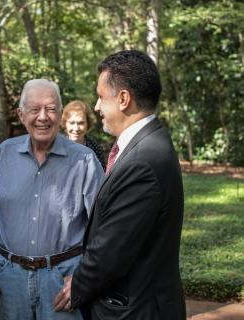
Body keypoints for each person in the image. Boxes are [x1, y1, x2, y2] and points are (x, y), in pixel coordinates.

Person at [54, 50, 186, 319]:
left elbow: (113, 250)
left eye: (101, 97)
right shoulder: (151, 142)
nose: (97, 107)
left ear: (124, 99)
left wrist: (77, 285)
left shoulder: (143, 161)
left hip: (135, 310)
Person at [0, 79, 105, 320]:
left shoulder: (84, 161)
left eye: (51, 109)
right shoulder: (4, 154)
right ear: (21, 114)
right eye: (35, 109)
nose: (43, 117)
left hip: (63, 280)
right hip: (9, 281)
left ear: (61, 114)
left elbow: (104, 226)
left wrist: (84, 275)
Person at [61, 100, 106, 170]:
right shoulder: (57, 147)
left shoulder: (95, 148)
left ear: (87, 124)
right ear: (65, 123)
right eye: (72, 123)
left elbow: (101, 176)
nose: (76, 128)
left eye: (81, 123)